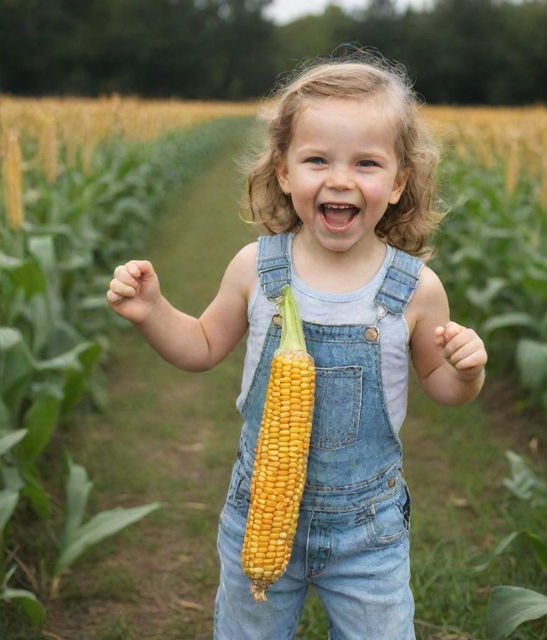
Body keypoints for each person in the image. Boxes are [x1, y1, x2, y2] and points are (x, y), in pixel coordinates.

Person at [107, 52, 487, 640]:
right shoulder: (257, 269)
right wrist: (154, 312)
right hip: (257, 509)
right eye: (317, 160)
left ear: (398, 182)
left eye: (366, 162)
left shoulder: (415, 289)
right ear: (284, 172)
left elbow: (444, 388)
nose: (340, 179)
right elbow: (203, 345)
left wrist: (466, 371)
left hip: (369, 530)